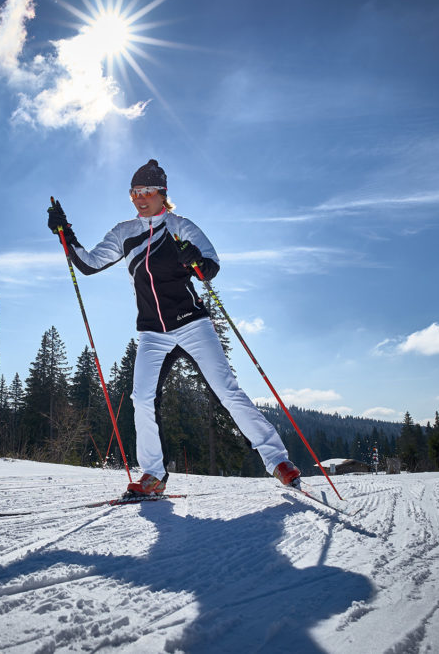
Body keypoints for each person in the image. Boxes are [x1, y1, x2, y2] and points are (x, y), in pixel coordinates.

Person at [47, 159, 302, 497]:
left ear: (162, 194)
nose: (140, 198)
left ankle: (277, 461)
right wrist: (66, 232)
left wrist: (193, 258)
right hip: (152, 331)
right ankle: (153, 476)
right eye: (134, 192)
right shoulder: (124, 232)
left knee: (226, 390)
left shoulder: (181, 226)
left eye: (147, 191)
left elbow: (209, 268)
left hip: (192, 324)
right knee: (141, 398)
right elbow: (89, 264)